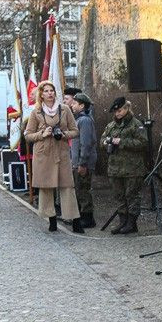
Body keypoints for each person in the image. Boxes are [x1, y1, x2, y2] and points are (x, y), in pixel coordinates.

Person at [24, 80, 81, 232]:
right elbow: (28, 135)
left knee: (67, 186)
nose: (50, 93)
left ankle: (75, 220)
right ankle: (52, 220)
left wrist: (63, 134)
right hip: (43, 154)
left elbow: (75, 131)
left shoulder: (65, 109)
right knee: (46, 187)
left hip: (61, 153)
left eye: (52, 90)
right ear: (41, 94)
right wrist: (42, 134)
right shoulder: (36, 112)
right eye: (46, 91)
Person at [100, 96, 146, 235]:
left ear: (126, 108)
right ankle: (123, 221)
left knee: (132, 196)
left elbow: (143, 143)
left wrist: (122, 142)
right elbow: (102, 140)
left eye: (120, 110)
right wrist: (106, 142)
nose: (117, 113)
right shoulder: (111, 125)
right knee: (119, 196)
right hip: (115, 168)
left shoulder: (136, 124)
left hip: (132, 168)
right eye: (116, 111)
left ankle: (131, 223)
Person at [69, 92, 97, 228]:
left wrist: (82, 163)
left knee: (83, 190)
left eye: (74, 103)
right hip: (77, 162)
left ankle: (88, 218)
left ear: (82, 105)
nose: (72, 105)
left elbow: (85, 144)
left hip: (83, 163)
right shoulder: (79, 120)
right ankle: (82, 215)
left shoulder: (84, 121)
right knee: (79, 189)